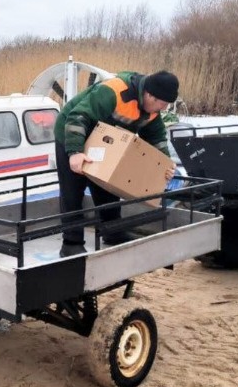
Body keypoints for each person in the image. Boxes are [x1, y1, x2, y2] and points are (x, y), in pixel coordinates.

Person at [53, 70, 179, 257]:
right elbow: (78, 116)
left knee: (107, 187)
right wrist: (75, 152)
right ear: (150, 95)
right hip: (72, 132)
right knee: (73, 190)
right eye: (162, 104)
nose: (163, 108)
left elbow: (157, 138)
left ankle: (113, 232)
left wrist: (165, 165)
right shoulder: (114, 92)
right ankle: (71, 243)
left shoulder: (151, 110)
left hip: (103, 139)